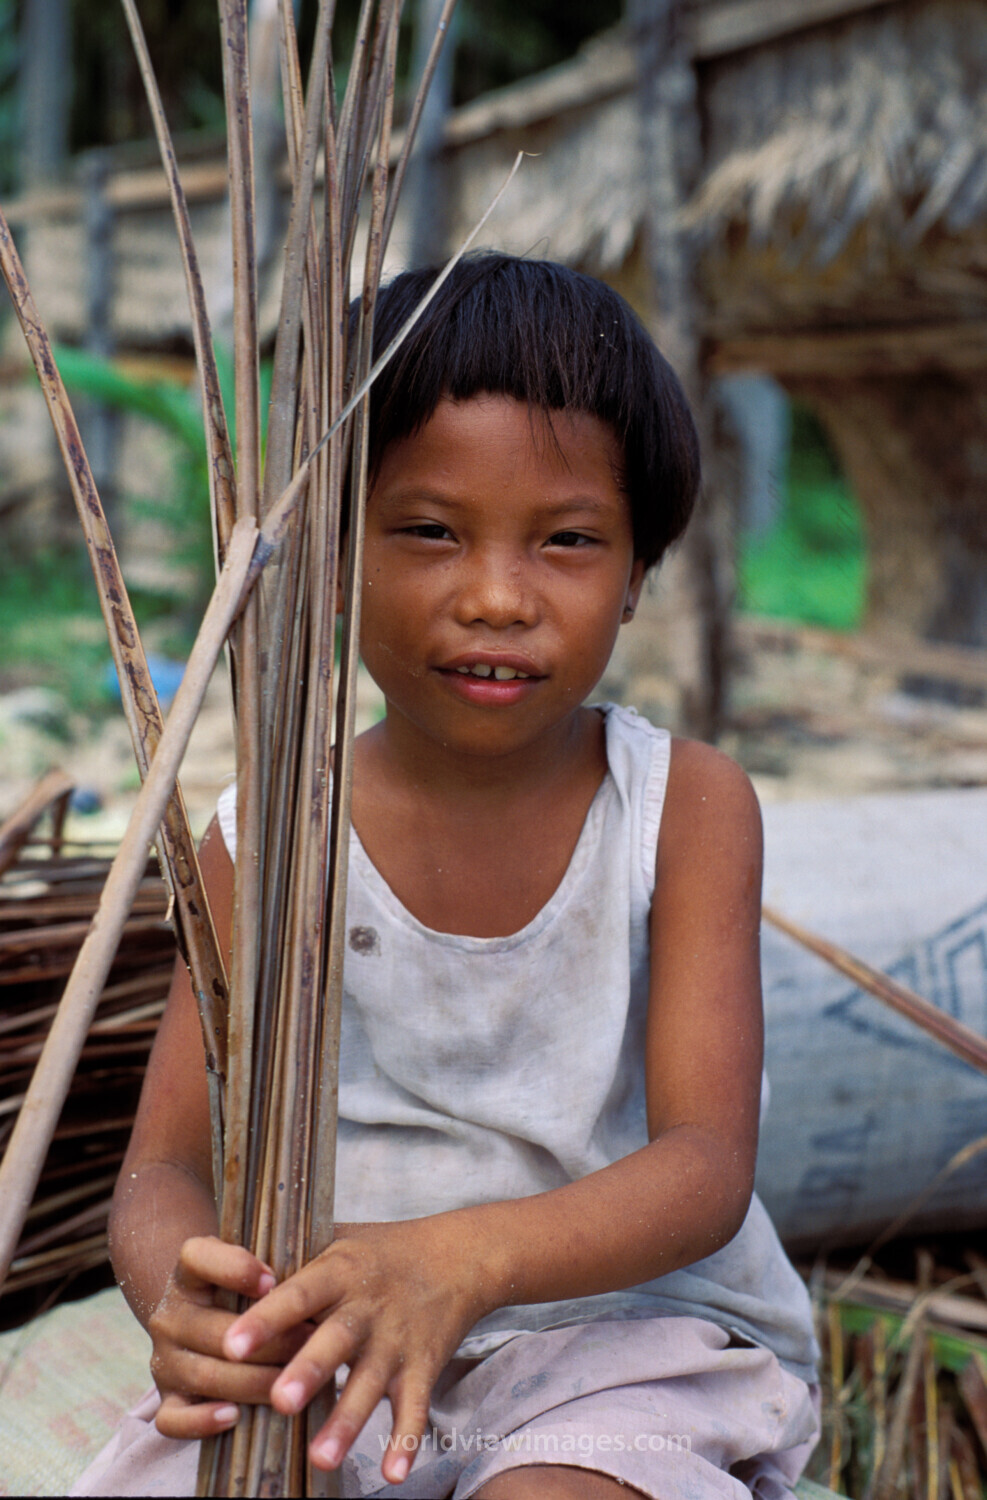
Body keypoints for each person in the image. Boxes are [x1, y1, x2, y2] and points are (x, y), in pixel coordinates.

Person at [74, 254, 820, 1500]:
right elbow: (164, 1170)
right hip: (333, 1339)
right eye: (429, 531)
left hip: (619, 1343)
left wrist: (457, 1261)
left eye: (568, 541)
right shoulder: (269, 836)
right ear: (333, 555)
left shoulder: (683, 811)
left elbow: (704, 1165)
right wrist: (189, 1305)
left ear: (638, 572)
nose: (494, 597)